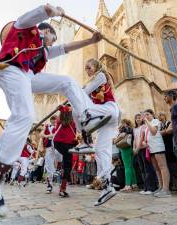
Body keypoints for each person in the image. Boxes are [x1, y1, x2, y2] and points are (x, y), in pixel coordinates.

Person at [0, 5, 112, 217]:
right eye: (52, 38)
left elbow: (66, 48)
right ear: (46, 32)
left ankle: (86, 117)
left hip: (27, 76)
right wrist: (51, 10)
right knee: (25, 116)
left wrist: (91, 41)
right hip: (10, 70)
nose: (53, 43)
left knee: (67, 82)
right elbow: (40, 12)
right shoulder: (25, 27)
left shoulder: (44, 50)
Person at [69, 58, 120, 206]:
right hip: (106, 117)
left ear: (96, 66)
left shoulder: (101, 76)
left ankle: (84, 140)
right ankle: (107, 186)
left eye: (88, 67)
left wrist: (73, 93)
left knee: (75, 108)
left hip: (109, 110)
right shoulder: (95, 81)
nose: (87, 70)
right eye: (85, 68)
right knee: (100, 150)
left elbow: (84, 92)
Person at [143, 109, 171, 198]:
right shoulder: (146, 125)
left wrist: (147, 121)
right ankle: (161, 187)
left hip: (158, 147)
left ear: (152, 115)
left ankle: (166, 189)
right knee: (157, 169)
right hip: (151, 149)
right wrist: (144, 143)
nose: (146, 116)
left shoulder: (155, 121)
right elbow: (145, 138)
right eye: (145, 115)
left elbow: (154, 132)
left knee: (162, 167)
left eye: (147, 114)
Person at [53, 104, 79, 197]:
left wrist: (61, 108)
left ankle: (62, 186)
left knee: (66, 164)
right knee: (67, 166)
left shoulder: (61, 118)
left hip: (59, 144)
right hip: (66, 144)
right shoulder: (69, 119)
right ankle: (62, 189)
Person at [133, 113, 156, 195]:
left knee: (147, 168)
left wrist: (138, 148)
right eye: (136, 118)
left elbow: (143, 138)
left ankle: (151, 187)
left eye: (139, 118)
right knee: (142, 169)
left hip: (143, 149)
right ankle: (145, 187)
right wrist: (134, 148)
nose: (138, 119)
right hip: (137, 150)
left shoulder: (144, 126)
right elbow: (135, 139)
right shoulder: (135, 129)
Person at [114, 119, 137, 192]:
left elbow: (122, 135)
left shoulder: (125, 128)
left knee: (127, 167)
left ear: (124, 123)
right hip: (131, 148)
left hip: (125, 149)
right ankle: (134, 184)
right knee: (131, 167)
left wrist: (115, 141)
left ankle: (127, 186)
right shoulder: (131, 129)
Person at [42, 116, 59, 193]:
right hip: (49, 147)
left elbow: (55, 134)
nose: (54, 121)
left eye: (55, 120)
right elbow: (41, 134)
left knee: (57, 162)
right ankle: (50, 185)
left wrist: (46, 136)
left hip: (57, 147)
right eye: (53, 120)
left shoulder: (59, 126)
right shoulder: (47, 126)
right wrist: (44, 134)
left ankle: (56, 173)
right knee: (48, 165)